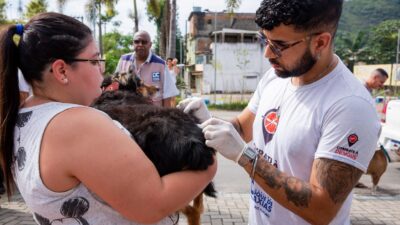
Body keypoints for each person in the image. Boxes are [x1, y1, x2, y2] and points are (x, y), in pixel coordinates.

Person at [0, 12, 216, 224]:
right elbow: (152, 205)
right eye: (94, 61)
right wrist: (210, 156)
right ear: (61, 71)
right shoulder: (77, 123)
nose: (102, 71)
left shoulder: (22, 113)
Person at [178, 0, 380, 224]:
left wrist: (245, 157)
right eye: (264, 39)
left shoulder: (350, 106)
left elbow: (322, 209)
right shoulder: (276, 77)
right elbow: (241, 129)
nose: (267, 53)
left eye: (279, 45)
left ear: (320, 42)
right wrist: (207, 121)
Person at [115, 31, 178, 107]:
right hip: (127, 113)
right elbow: (115, 85)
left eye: (144, 42)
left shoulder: (160, 64)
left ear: (150, 45)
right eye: (137, 42)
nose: (140, 44)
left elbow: (168, 95)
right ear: (133, 43)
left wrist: (166, 116)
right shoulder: (123, 60)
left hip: (153, 115)